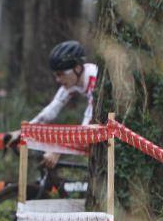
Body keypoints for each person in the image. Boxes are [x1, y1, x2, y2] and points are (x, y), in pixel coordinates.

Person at [7, 40, 98, 168]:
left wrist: (59, 149)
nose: (58, 79)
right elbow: (51, 109)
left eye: (61, 74)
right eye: (56, 74)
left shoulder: (95, 81)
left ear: (77, 68)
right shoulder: (75, 79)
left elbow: (87, 125)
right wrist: (23, 132)